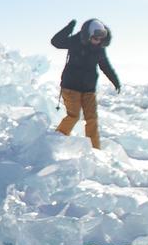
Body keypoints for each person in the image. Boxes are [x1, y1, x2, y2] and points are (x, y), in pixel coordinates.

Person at [51, 18, 121, 149]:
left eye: (100, 39)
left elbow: (105, 65)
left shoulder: (99, 49)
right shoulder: (75, 41)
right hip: (70, 88)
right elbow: (56, 42)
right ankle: (56, 141)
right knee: (73, 116)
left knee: (92, 119)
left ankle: (95, 150)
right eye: (95, 38)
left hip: (89, 90)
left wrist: (115, 80)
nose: (98, 41)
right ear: (88, 35)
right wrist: (68, 28)